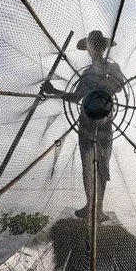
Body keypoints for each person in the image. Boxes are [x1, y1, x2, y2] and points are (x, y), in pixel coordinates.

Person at [43, 30, 124, 222]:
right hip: (86, 120)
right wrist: (54, 91)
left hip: (104, 120)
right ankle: (89, 205)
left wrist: (106, 77)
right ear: (89, 49)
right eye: (92, 46)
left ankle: (100, 208)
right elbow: (76, 97)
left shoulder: (113, 67)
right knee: (88, 164)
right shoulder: (86, 72)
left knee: (102, 164)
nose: (94, 50)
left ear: (103, 48)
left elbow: (119, 86)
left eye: (98, 46)